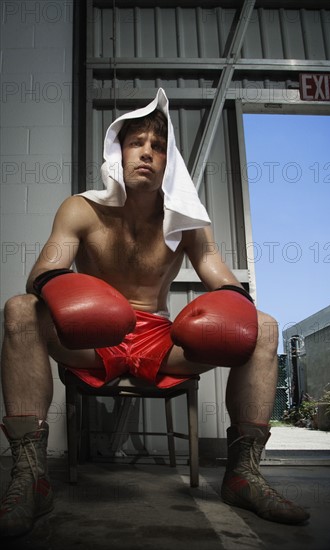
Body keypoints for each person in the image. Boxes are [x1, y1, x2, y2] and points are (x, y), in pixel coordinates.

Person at [0, 89, 309, 538]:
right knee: (20, 309)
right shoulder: (81, 208)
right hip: (92, 335)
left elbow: (220, 276)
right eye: (136, 142)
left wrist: (232, 305)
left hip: (158, 341)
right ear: (117, 153)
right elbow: (43, 273)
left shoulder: (187, 219)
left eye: (158, 145)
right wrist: (73, 302)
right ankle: (30, 478)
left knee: (264, 325)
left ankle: (244, 476)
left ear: (169, 161)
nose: (147, 152)